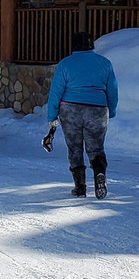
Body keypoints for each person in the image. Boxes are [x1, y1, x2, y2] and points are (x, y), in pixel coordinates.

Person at [46, 31, 118, 199]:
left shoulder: (65, 64)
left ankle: (80, 187)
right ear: (91, 45)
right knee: (96, 148)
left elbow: (55, 92)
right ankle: (99, 173)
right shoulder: (105, 63)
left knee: (74, 147)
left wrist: (52, 116)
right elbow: (112, 90)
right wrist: (111, 110)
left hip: (70, 110)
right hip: (98, 110)